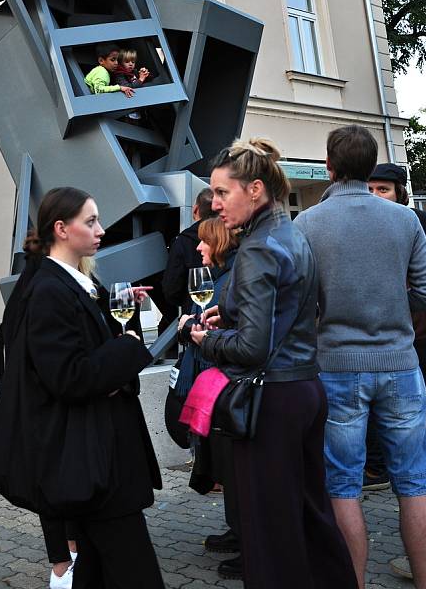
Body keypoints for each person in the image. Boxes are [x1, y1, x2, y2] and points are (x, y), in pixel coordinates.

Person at [192, 138, 358, 589]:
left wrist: (208, 340)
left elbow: (250, 349)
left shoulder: (260, 247)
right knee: (309, 516)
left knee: (269, 530)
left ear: (256, 189)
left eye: (223, 193)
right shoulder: (291, 233)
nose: (214, 203)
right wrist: (233, 313)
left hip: (273, 400)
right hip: (304, 388)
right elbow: (301, 308)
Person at [0, 187, 164, 589]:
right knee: (135, 573)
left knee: (96, 574)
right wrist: (127, 346)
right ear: (61, 229)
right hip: (95, 463)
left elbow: (80, 350)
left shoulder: (69, 284)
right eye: (90, 221)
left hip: (97, 462)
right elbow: (68, 377)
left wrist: (114, 316)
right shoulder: (49, 290)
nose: (101, 230)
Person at [294, 126, 426, 589]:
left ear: (329, 167)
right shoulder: (404, 219)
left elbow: (299, 303)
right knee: (414, 486)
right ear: (371, 168)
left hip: (335, 367)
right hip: (401, 365)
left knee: (343, 487)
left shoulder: (308, 223)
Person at [368, 161, 426, 581]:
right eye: (370, 187)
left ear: (401, 193)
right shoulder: (366, 228)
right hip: (393, 353)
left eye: (384, 189)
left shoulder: (418, 225)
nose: (376, 196)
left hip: (420, 347)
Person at [177, 217, 241, 579]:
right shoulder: (218, 278)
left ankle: (249, 542)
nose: (198, 248)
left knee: (233, 461)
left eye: (204, 242)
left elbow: (231, 335)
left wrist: (195, 331)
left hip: (228, 382)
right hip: (213, 381)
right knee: (223, 461)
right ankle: (239, 531)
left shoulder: (229, 280)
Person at [162, 187, 215, 315]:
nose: (200, 247)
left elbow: (171, 290)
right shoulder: (235, 234)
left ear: (196, 209)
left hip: (194, 315)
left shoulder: (182, 241)